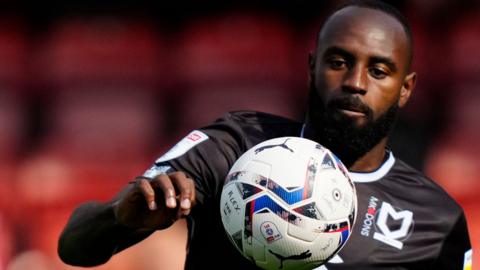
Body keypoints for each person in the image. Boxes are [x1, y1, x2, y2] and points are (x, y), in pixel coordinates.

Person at [58, 1, 472, 269]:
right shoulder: (235, 144)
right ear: (311, 67)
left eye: (379, 71)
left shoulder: (436, 221)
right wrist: (119, 219)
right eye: (339, 62)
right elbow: (74, 247)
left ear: (406, 88)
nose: (355, 82)